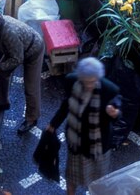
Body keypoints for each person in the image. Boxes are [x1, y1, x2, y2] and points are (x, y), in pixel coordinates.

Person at [47, 57, 121, 195]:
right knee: (71, 177)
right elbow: (66, 105)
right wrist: (53, 124)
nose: (89, 85)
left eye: (92, 82)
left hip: (97, 147)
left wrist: (115, 113)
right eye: (86, 81)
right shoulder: (71, 81)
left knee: (98, 181)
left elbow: (117, 109)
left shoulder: (108, 89)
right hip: (77, 143)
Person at [0, 8, 44, 134]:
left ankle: (32, 118)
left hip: (33, 51)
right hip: (13, 50)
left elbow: (17, 59)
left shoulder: (9, 33)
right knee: (1, 74)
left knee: (31, 87)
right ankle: (1, 102)